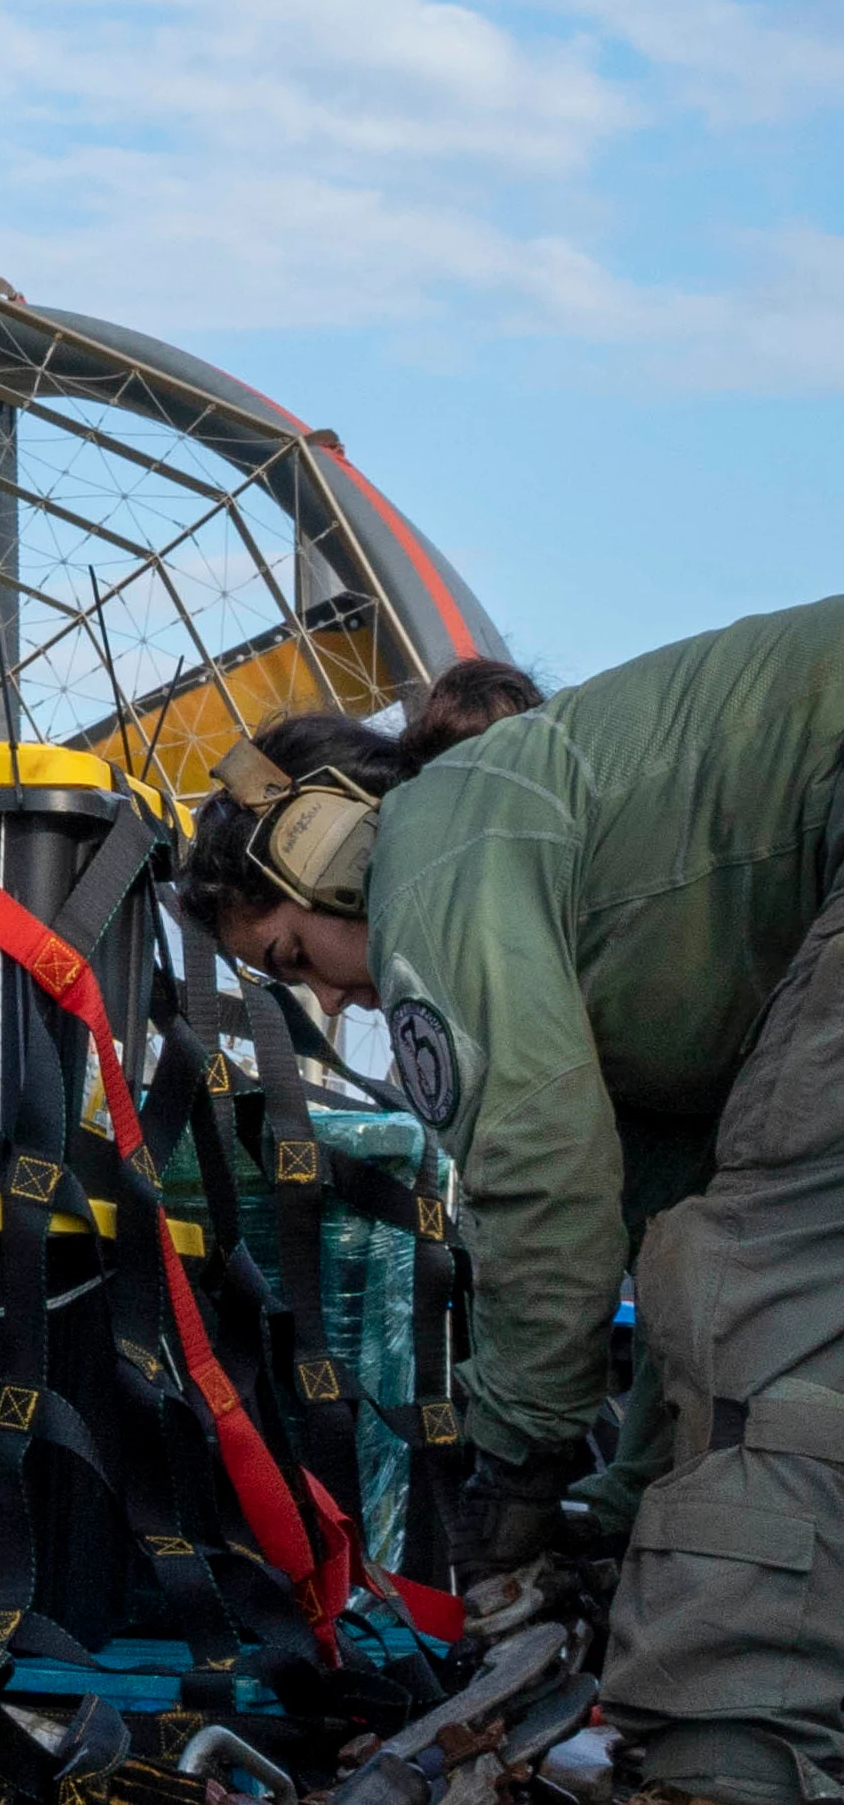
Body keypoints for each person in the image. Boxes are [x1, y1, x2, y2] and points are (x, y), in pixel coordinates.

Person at [182, 602, 844, 1805]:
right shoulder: (653, 993)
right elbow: (673, 1264)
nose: (331, 1005)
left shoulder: (430, 849)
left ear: (325, 846)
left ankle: (729, 1769)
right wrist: (620, 1508)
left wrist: (517, 1475)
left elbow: (546, 1189)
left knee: (776, 1335)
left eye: (289, 959)